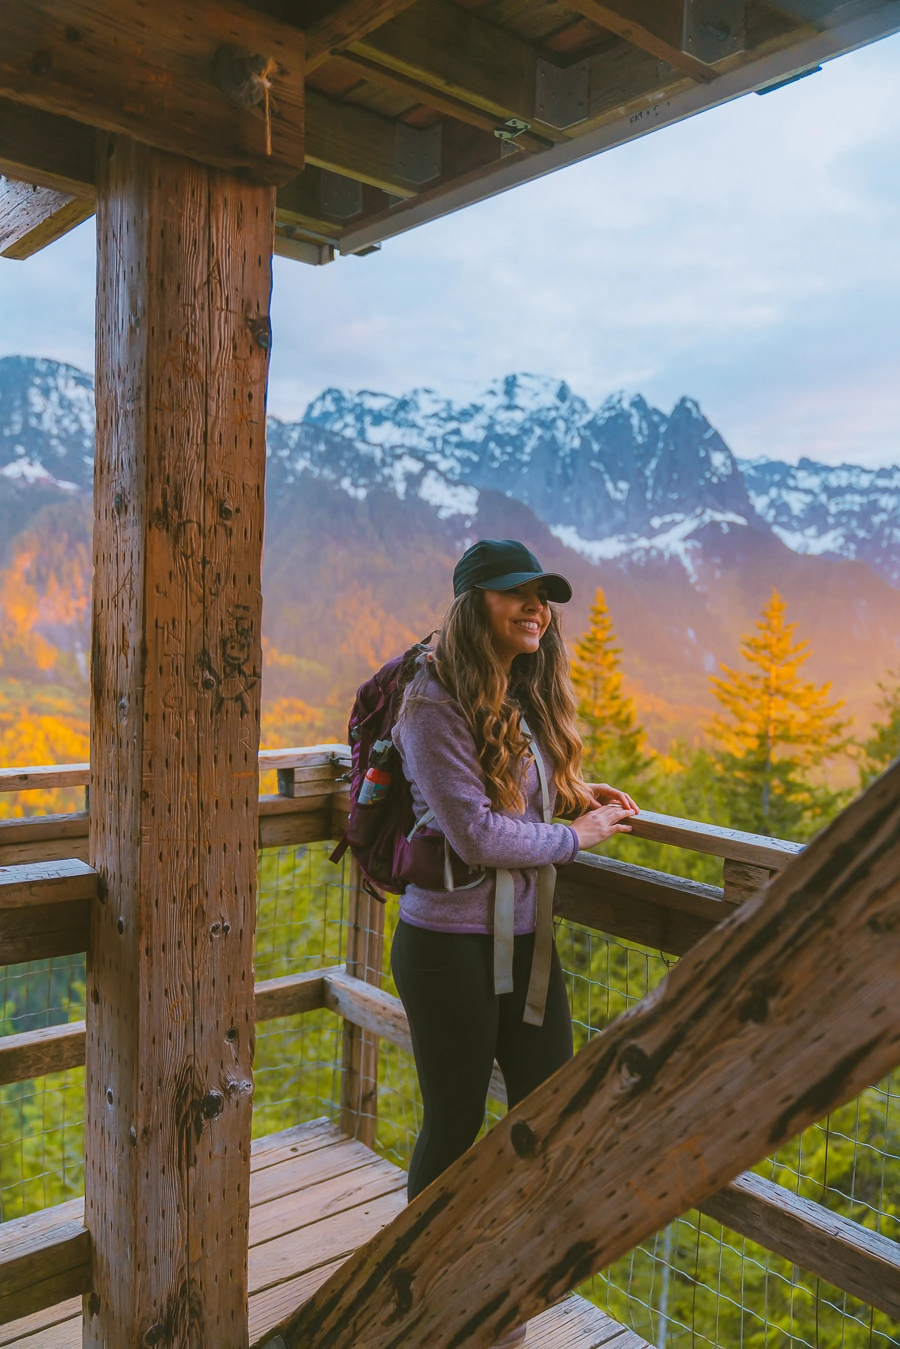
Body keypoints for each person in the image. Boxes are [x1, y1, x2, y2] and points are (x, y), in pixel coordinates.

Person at [391, 539, 638, 1340]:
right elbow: (476, 835)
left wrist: (571, 791)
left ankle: (495, 1276)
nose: (536, 607)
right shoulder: (431, 702)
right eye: (516, 593)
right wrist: (581, 834)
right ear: (474, 604)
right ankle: (419, 1282)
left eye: (543, 595)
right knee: (455, 1120)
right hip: (447, 949)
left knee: (548, 1112)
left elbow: (515, 796)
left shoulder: (514, 687)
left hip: (526, 943)